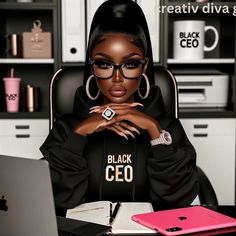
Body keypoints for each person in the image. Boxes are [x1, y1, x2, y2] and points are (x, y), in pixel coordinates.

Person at [40, 0, 199, 215]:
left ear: (145, 66)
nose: (117, 78)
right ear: (92, 67)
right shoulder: (66, 127)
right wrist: (79, 133)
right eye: (104, 64)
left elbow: (178, 202)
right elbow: (52, 201)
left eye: (130, 64)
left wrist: (154, 130)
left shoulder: (167, 127)